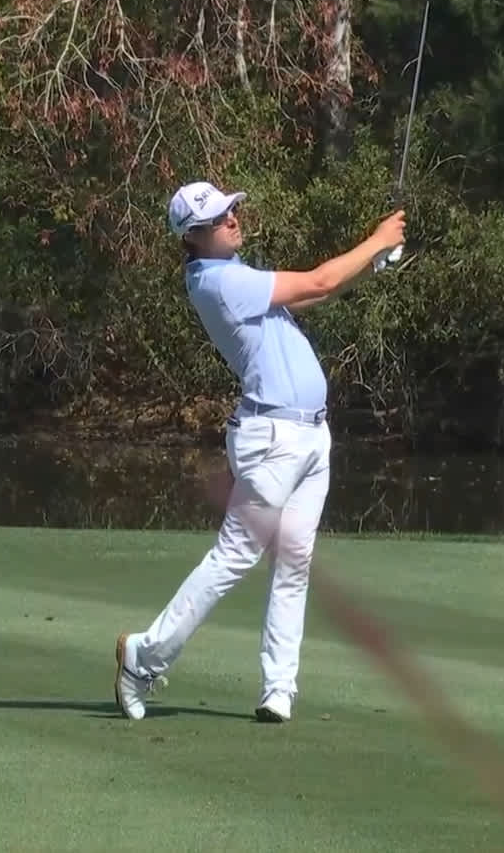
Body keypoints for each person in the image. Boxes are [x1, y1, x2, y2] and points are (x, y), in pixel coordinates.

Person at [113, 179, 407, 723]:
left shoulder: (236, 273)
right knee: (234, 556)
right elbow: (319, 279)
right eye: (218, 219)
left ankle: (279, 688)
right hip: (273, 438)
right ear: (193, 237)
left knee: (294, 561)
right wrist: (376, 241)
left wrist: (373, 263)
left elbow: (317, 294)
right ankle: (144, 656)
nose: (233, 219)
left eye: (230, 210)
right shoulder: (218, 282)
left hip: (310, 435)